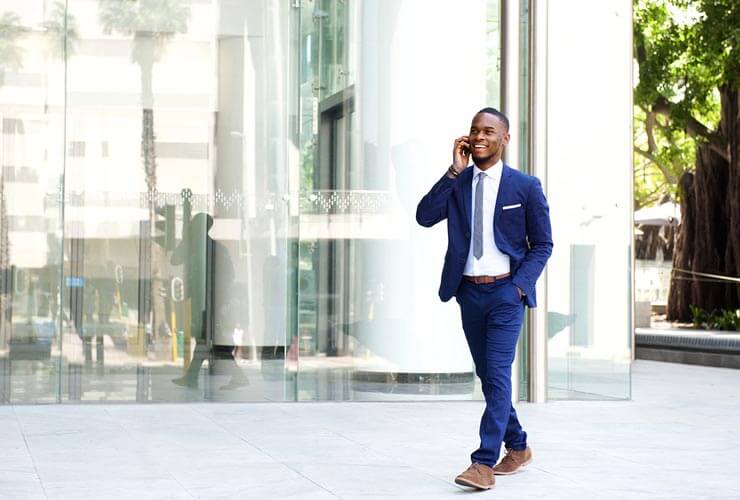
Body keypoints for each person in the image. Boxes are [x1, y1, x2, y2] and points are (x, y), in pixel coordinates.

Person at [416, 108, 553, 490]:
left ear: (504, 139)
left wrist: (520, 286)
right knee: (489, 376)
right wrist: (453, 172)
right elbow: (424, 216)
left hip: (507, 293)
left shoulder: (524, 186)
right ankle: (519, 446)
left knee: (497, 372)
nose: (479, 136)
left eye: (488, 131)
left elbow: (542, 244)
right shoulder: (458, 184)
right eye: (474, 130)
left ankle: (482, 463)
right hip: (469, 293)